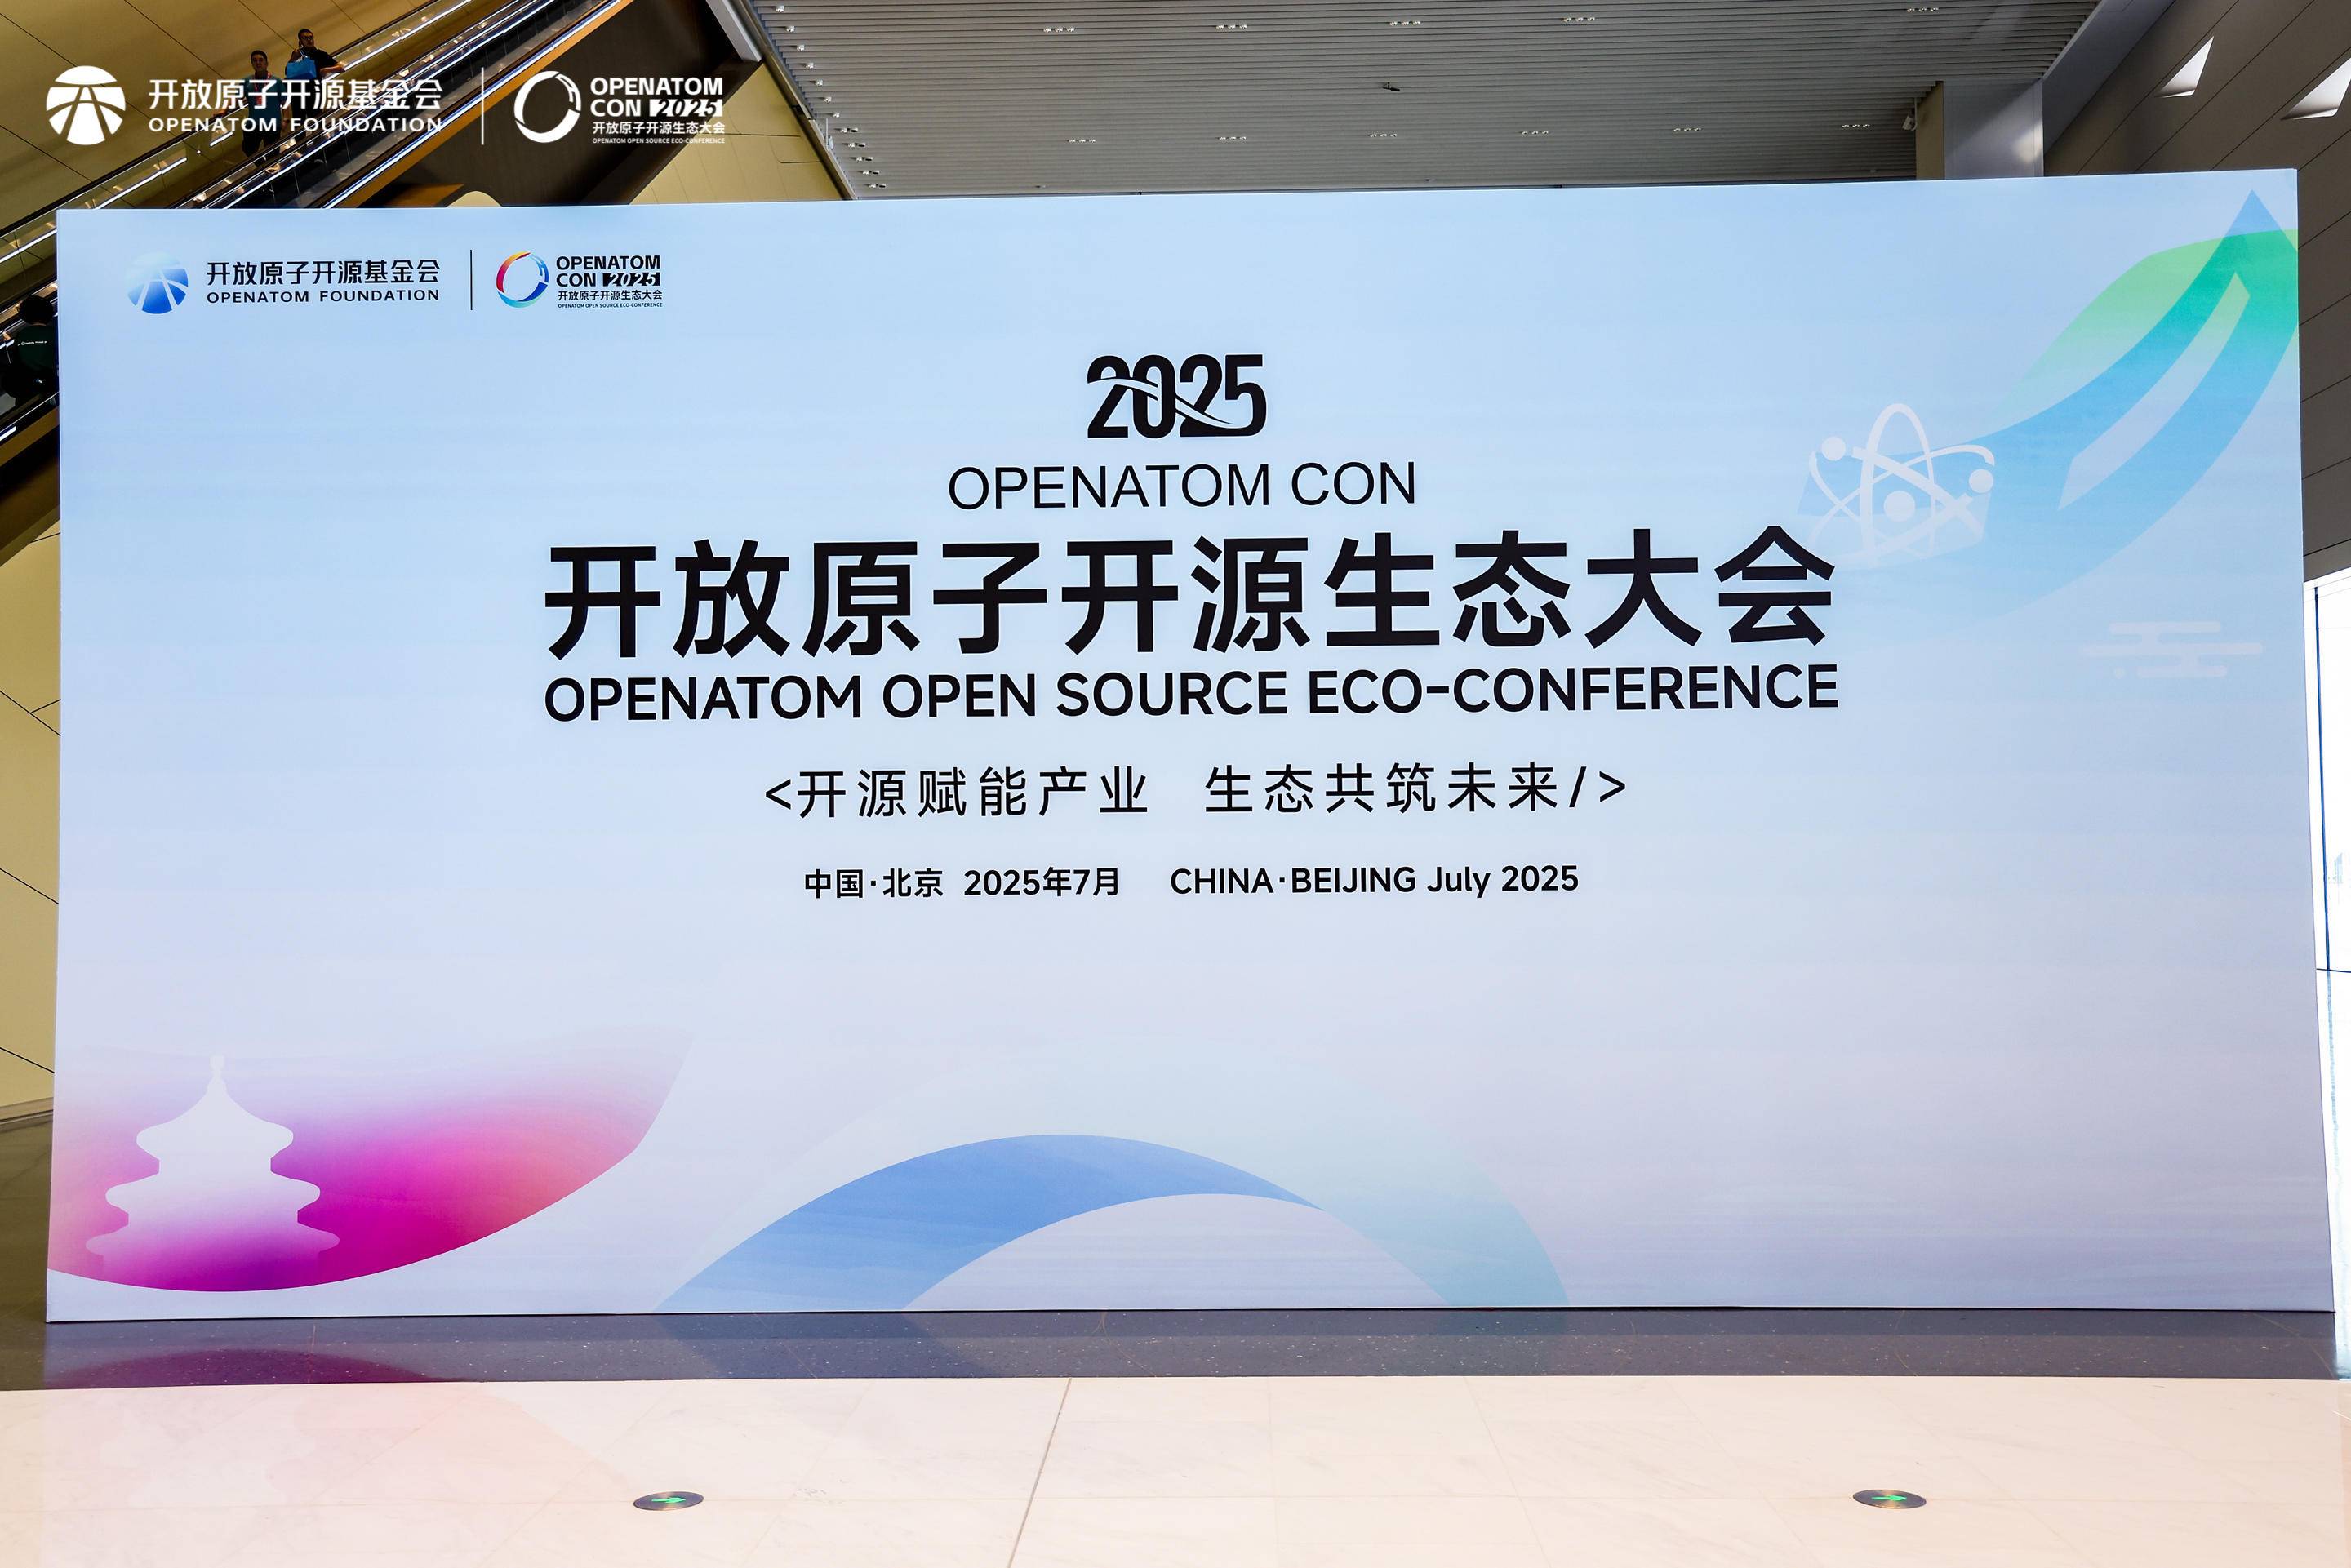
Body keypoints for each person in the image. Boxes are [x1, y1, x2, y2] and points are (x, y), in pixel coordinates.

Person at [218, 50, 284, 158]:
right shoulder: (247, 81)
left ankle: (268, 167)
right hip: (254, 123)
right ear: (252, 64)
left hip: (272, 124)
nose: (258, 63)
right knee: (248, 148)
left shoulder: (276, 81)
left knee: (272, 154)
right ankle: (262, 166)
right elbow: (236, 97)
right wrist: (224, 110)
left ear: (267, 63)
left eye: (261, 60)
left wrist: (286, 119)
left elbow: (284, 102)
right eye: (255, 61)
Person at [0, 292, 57, 405]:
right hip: (49, 389)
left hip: (26, 393)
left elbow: (16, 360)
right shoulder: (54, 334)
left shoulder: (21, 335)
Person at [285, 29, 343, 127]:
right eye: (306, 38)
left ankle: (319, 136)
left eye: (311, 37)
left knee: (317, 122)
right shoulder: (296, 54)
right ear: (300, 41)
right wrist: (293, 58)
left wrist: (326, 69)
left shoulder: (320, 54)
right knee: (299, 126)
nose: (309, 40)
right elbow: (288, 72)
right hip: (297, 95)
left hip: (314, 93)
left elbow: (341, 67)